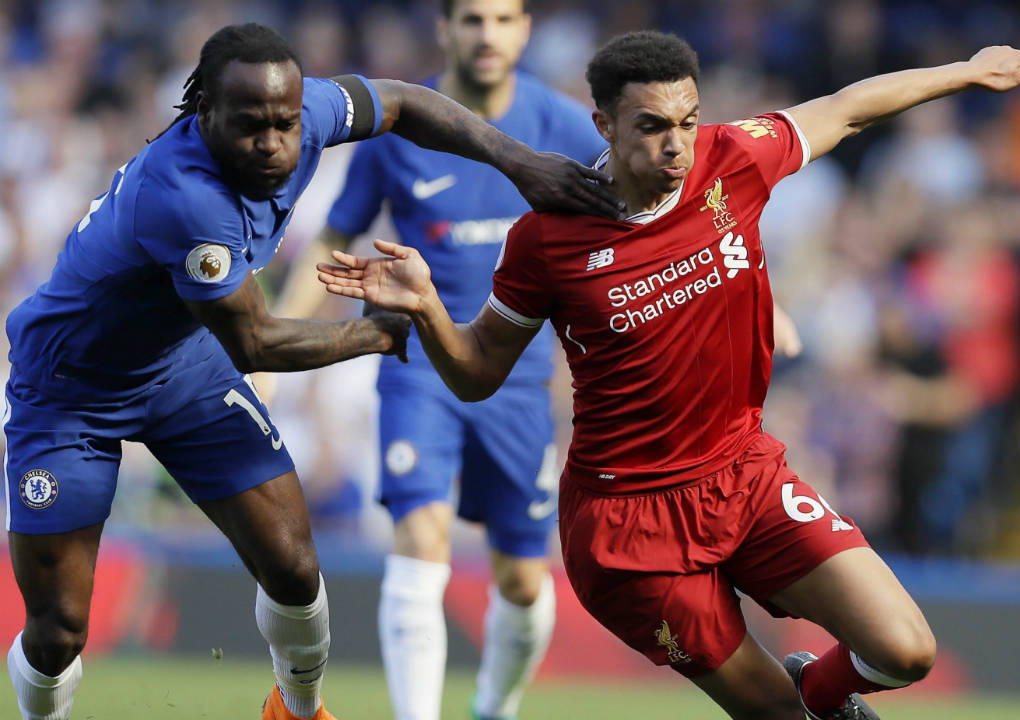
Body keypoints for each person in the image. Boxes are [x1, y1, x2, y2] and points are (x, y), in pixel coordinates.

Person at [319, 31, 1020, 720]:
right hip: (628, 529)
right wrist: (425, 308)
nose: (677, 144)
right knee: (773, 715)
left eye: (689, 120)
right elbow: (477, 372)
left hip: (744, 474)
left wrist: (969, 71)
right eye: (653, 125)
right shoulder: (546, 238)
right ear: (602, 123)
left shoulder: (733, 159)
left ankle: (814, 693)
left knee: (906, 649)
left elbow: (846, 109)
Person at [2, 22, 618, 720]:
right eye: (249, 127)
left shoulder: (309, 110)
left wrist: (518, 161)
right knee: (59, 631)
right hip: (70, 391)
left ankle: (297, 712)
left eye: (284, 124)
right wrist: (383, 331)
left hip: (180, 365)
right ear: (204, 114)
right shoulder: (185, 197)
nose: (272, 144)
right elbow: (255, 343)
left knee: (295, 568)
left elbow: (405, 102)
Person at [274, 1, 601, 718]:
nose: (488, 34)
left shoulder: (566, 127)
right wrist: (271, 339)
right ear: (446, 28)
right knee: (420, 538)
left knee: (522, 579)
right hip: (418, 365)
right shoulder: (401, 129)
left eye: (504, 18)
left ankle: (495, 705)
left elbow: (645, 215)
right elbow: (336, 234)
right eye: (473, 18)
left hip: (517, 383)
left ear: (525, 30)